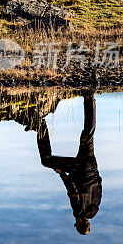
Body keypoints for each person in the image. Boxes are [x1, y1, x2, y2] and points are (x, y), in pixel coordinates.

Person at [36, 92, 101, 235]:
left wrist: (95, 172)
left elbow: (99, 187)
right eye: (76, 224)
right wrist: (61, 173)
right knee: (47, 161)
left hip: (90, 166)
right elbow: (72, 190)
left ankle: (89, 98)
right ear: (79, 224)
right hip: (78, 169)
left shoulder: (95, 209)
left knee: (88, 134)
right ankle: (39, 123)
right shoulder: (79, 211)